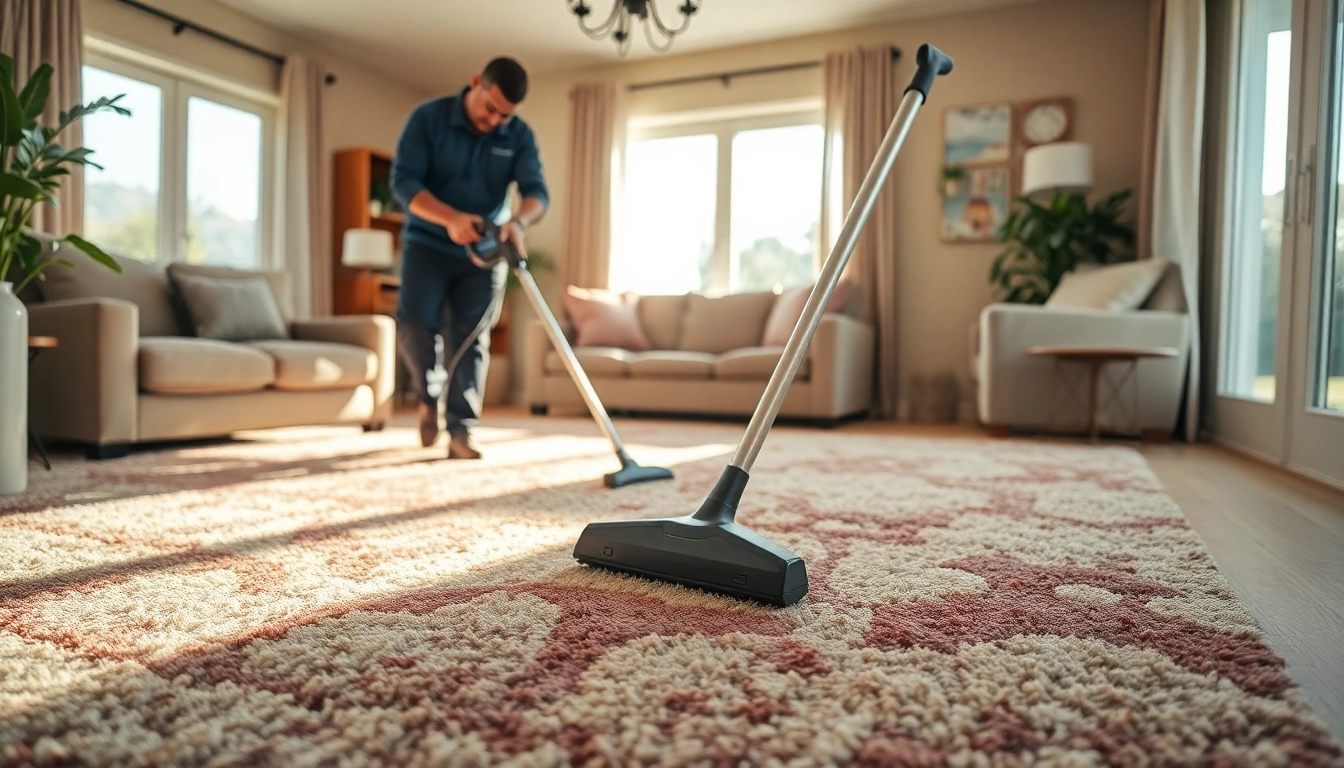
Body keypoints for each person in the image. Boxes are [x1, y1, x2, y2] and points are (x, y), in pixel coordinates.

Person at [390, 57, 549, 459]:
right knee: (414, 325)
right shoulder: (428, 118)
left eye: (504, 115)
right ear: (477, 82)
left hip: (485, 250)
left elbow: (537, 193)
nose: (494, 120)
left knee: (472, 336)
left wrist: (519, 222)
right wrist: (450, 218)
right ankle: (428, 396)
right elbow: (404, 183)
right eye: (490, 108)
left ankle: (462, 430)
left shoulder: (518, 135)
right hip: (427, 244)